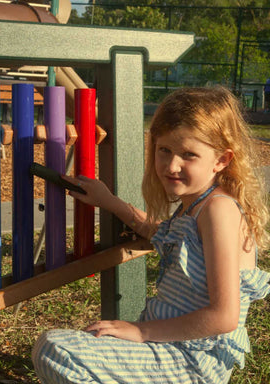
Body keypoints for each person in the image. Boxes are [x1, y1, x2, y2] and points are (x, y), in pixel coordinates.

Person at [32, 86, 270, 384]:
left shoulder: (218, 210)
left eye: (189, 155)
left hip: (191, 361)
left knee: (56, 350)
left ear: (221, 160)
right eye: (164, 150)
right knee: (73, 343)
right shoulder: (196, 206)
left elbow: (224, 317)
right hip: (169, 347)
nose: (172, 165)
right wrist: (110, 201)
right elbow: (162, 233)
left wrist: (141, 332)